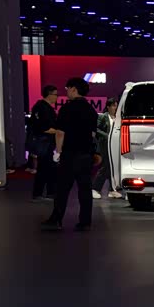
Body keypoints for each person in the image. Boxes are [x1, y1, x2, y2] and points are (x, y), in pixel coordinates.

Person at [42, 77, 98, 232]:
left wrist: (58, 152)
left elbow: (60, 132)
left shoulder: (67, 108)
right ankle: (85, 221)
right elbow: (93, 134)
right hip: (86, 155)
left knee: (62, 189)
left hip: (70, 154)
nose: (66, 91)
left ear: (74, 89)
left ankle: (56, 219)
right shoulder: (91, 110)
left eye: (67, 88)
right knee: (85, 190)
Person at [30, 85, 59, 200]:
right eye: (55, 94)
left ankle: (50, 192)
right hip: (43, 142)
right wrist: (57, 131)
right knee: (44, 167)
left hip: (48, 142)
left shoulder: (47, 108)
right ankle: (38, 193)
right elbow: (40, 127)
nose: (57, 97)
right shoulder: (40, 107)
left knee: (49, 167)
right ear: (49, 94)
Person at [92, 98, 122, 199]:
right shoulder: (103, 117)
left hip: (116, 145)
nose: (115, 108)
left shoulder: (119, 118)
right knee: (105, 166)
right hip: (105, 145)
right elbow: (96, 129)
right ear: (108, 107)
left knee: (114, 168)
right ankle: (95, 188)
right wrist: (107, 136)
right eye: (113, 106)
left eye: (116, 106)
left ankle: (112, 190)